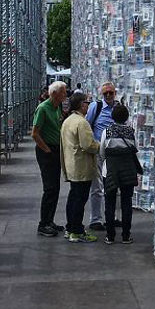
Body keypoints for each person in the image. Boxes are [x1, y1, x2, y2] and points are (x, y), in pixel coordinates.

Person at [61, 92, 100, 242]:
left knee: (73, 197)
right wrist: (100, 146)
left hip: (72, 164)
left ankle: (70, 228)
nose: (89, 106)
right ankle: (77, 231)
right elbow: (88, 144)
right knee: (80, 199)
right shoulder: (82, 122)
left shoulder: (68, 120)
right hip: (81, 166)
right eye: (87, 103)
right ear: (81, 105)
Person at [99, 103, 139, 244]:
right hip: (128, 171)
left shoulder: (107, 132)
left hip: (110, 171)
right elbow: (135, 149)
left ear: (112, 116)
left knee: (109, 203)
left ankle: (110, 236)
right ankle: (126, 236)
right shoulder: (131, 132)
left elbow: (102, 153)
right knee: (126, 203)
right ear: (127, 117)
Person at [32, 81, 67, 237]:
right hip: (47, 150)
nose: (65, 95)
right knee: (49, 188)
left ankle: (49, 220)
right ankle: (43, 224)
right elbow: (35, 133)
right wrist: (47, 151)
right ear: (54, 94)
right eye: (63, 93)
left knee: (55, 188)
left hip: (55, 149)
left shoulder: (56, 107)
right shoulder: (43, 108)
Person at [85, 82, 119, 230]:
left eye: (111, 92)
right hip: (99, 151)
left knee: (113, 186)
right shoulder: (95, 107)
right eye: (106, 93)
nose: (108, 95)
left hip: (114, 152)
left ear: (115, 93)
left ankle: (112, 217)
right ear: (102, 94)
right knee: (97, 187)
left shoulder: (118, 107)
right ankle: (95, 220)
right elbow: (87, 125)